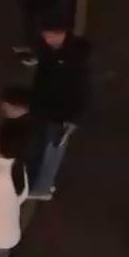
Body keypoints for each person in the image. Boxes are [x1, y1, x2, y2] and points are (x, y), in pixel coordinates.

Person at [27, 21, 90, 200]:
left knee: (51, 150)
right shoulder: (51, 51)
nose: (45, 39)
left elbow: (83, 91)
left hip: (61, 113)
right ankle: (42, 183)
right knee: (44, 147)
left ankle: (43, 187)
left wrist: (74, 119)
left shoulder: (77, 58)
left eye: (48, 35)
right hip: (46, 108)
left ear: (60, 33)